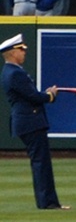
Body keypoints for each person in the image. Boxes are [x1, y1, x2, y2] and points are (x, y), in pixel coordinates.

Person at [4, 32, 62, 209]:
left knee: (40, 162)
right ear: (13, 53)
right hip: (30, 122)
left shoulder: (11, 72)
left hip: (27, 122)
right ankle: (47, 202)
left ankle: (47, 201)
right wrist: (50, 95)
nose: (24, 53)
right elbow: (34, 97)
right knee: (41, 163)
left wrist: (45, 95)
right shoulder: (15, 73)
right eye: (21, 50)